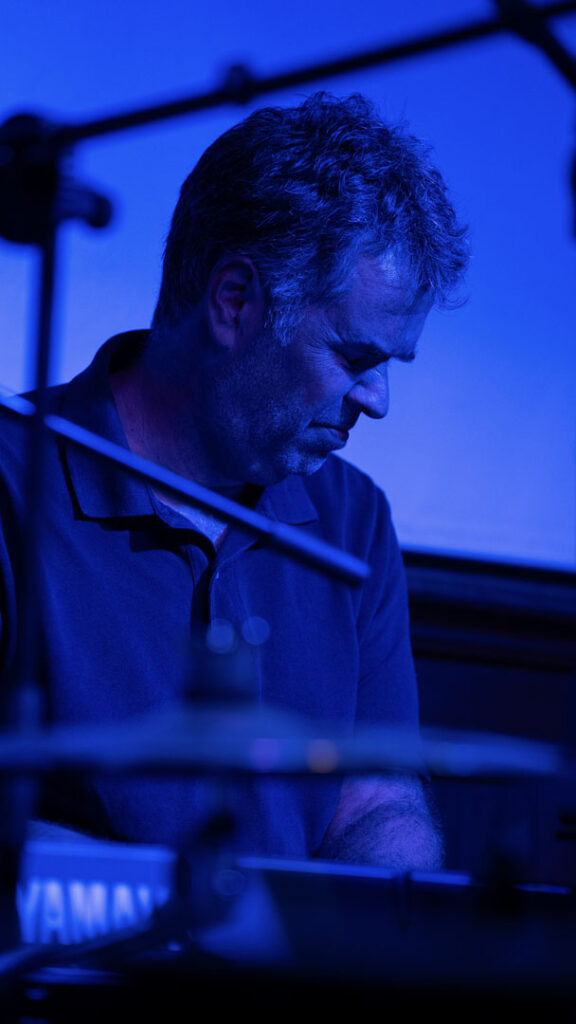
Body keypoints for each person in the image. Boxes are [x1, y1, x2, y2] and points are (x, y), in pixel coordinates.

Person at [0, 92, 467, 868]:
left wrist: (394, 917)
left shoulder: (353, 518)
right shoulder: (13, 481)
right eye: (356, 358)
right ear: (235, 301)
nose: (378, 401)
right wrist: (194, 911)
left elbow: (375, 799)